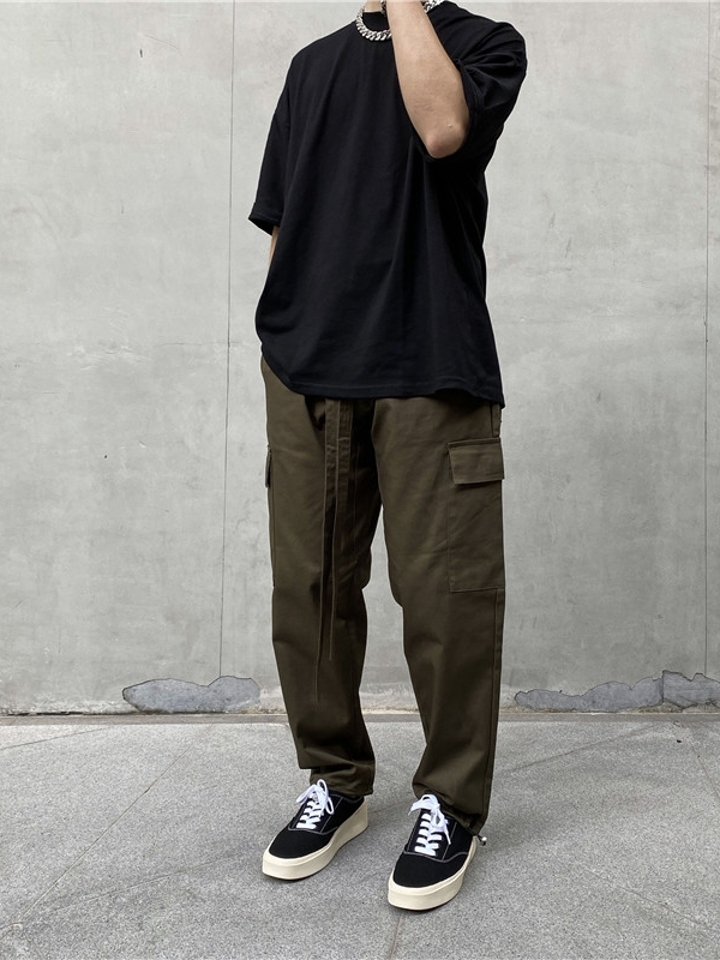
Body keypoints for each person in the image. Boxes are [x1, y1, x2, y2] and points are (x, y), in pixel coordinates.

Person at [249, 0, 526, 911]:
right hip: (309, 371)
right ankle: (335, 780)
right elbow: (285, 218)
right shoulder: (311, 66)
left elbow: (442, 130)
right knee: (310, 590)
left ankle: (451, 802)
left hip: (430, 363)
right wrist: (283, 337)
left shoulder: (484, 46)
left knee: (448, 597)